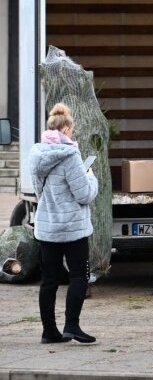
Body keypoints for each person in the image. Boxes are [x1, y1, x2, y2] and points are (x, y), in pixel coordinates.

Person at [29, 103, 99, 344]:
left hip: (47, 227)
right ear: (67, 129)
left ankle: (49, 331)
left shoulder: (36, 154)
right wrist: (91, 177)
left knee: (49, 280)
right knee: (79, 276)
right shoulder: (71, 155)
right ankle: (72, 326)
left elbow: (40, 192)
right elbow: (84, 195)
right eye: (73, 129)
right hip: (73, 228)